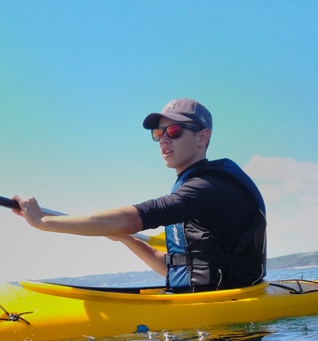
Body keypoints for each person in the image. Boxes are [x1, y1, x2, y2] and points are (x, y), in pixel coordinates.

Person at [13, 98, 266, 293]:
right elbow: (171, 268)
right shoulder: (190, 185)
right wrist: (128, 239)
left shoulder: (209, 187)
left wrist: (42, 221)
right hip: (195, 303)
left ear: (203, 137)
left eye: (174, 131)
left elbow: (133, 217)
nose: (163, 140)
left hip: (225, 319)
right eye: (158, 133)